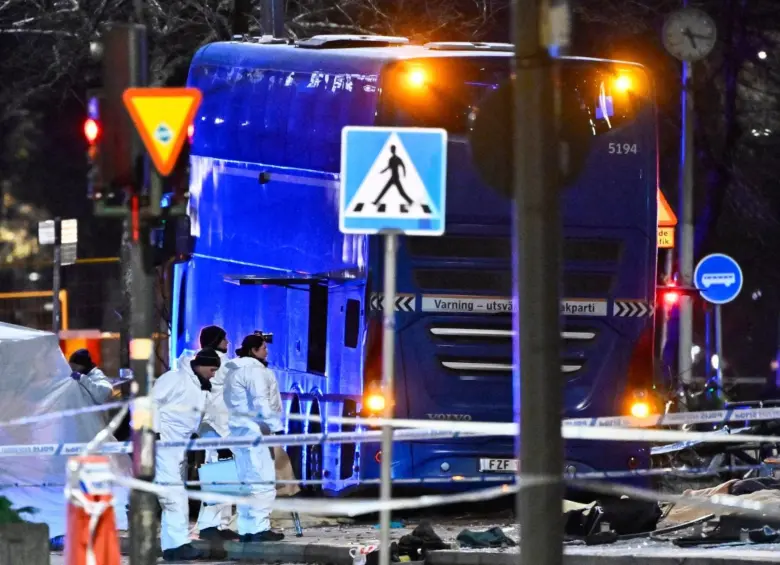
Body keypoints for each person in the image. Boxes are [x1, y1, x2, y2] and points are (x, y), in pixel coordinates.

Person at [153, 347, 221, 562]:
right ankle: (178, 545)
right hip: (163, 444)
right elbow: (150, 402)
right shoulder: (174, 379)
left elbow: (200, 420)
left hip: (176, 448)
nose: (214, 374)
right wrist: (153, 433)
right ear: (201, 366)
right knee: (174, 496)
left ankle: (173, 546)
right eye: (212, 369)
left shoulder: (199, 387)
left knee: (174, 495)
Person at [223, 333, 285, 542]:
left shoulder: (233, 370)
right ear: (253, 350)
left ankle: (247, 528)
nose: (267, 351)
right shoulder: (255, 371)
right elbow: (261, 402)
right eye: (264, 348)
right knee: (263, 480)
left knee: (247, 482)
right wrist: (277, 427)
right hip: (257, 432)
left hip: (238, 432)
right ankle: (259, 528)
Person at [195, 325, 238, 541]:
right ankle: (212, 525)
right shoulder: (221, 364)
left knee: (220, 474)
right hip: (219, 427)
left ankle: (217, 525)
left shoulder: (206, 362)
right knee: (219, 474)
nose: (228, 343)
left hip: (213, 427)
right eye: (224, 339)